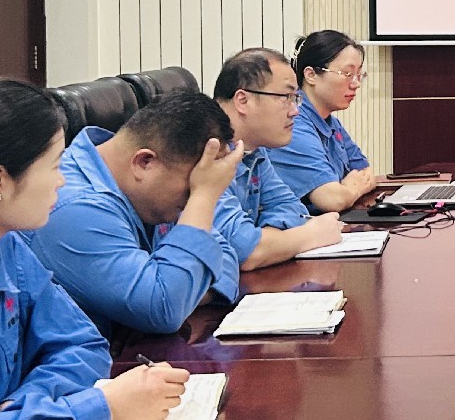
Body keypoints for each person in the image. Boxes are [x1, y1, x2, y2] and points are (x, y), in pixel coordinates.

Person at [0, 78, 188, 420]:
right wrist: (100, 408)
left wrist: (25, 408)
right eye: (54, 165)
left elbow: (84, 345)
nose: (62, 180)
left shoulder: (7, 248)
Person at [28, 91, 244, 337]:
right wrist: (203, 196)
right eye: (191, 189)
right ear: (145, 162)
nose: (192, 206)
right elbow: (164, 308)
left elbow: (227, 258)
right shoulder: (74, 208)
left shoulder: (147, 195)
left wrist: (185, 288)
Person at [212, 48, 345, 269]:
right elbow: (249, 253)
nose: (295, 111)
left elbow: (290, 205)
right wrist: (309, 236)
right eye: (285, 97)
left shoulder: (253, 149)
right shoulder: (207, 152)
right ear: (242, 100)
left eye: (296, 99)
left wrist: (269, 239)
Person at [267, 30, 376, 212]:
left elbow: (366, 173)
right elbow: (332, 199)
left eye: (359, 75)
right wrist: (350, 189)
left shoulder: (330, 122)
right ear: (311, 75)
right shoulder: (293, 124)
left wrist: (348, 190)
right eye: (347, 74)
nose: (356, 84)